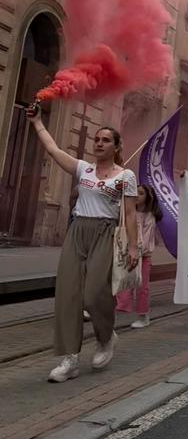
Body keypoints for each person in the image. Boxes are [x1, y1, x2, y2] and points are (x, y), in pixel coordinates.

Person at [26, 105, 138, 383]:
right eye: (96, 139)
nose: (99, 143)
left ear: (116, 146)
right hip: (77, 231)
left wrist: (133, 247)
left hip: (105, 233)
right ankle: (70, 360)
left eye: (105, 140)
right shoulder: (83, 169)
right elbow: (53, 149)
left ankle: (105, 337)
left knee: (93, 294)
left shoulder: (125, 176)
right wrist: (37, 122)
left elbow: (130, 214)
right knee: (68, 294)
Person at [116, 183, 162, 328]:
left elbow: (146, 240)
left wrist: (137, 252)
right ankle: (120, 308)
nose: (136, 196)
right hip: (127, 254)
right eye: (135, 192)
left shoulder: (149, 217)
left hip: (143, 256)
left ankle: (143, 316)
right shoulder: (129, 213)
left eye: (141, 193)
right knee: (121, 282)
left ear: (148, 198)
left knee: (142, 287)